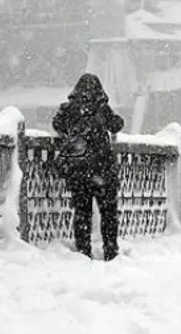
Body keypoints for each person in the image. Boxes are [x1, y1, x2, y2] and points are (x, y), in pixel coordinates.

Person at [52, 73, 126, 261]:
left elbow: (57, 124)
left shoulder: (69, 109)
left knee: (82, 213)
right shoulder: (102, 109)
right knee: (108, 213)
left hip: (79, 171)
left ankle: (83, 250)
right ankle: (110, 249)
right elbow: (117, 125)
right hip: (102, 169)